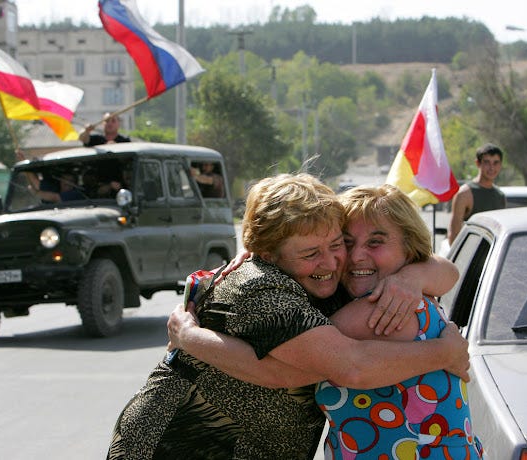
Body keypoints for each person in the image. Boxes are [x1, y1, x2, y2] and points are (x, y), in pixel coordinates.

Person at [106, 173, 469, 460]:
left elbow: (444, 269)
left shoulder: (353, 286)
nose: (335, 261)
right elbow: (327, 368)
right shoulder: (260, 289)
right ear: (268, 253)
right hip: (180, 446)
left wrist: (413, 275)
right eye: (311, 251)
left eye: (334, 244)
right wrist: (444, 351)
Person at [314, 184, 483, 458]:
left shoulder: (385, 308)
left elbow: (285, 359)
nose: (356, 256)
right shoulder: (416, 295)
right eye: (346, 243)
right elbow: (448, 271)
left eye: (375, 242)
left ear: (409, 248)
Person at [448, 143, 506, 244]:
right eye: (487, 162)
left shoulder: (500, 196)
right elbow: (453, 235)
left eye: (496, 163)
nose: (492, 168)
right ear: (478, 163)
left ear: (500, 165)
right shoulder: (465, 194)